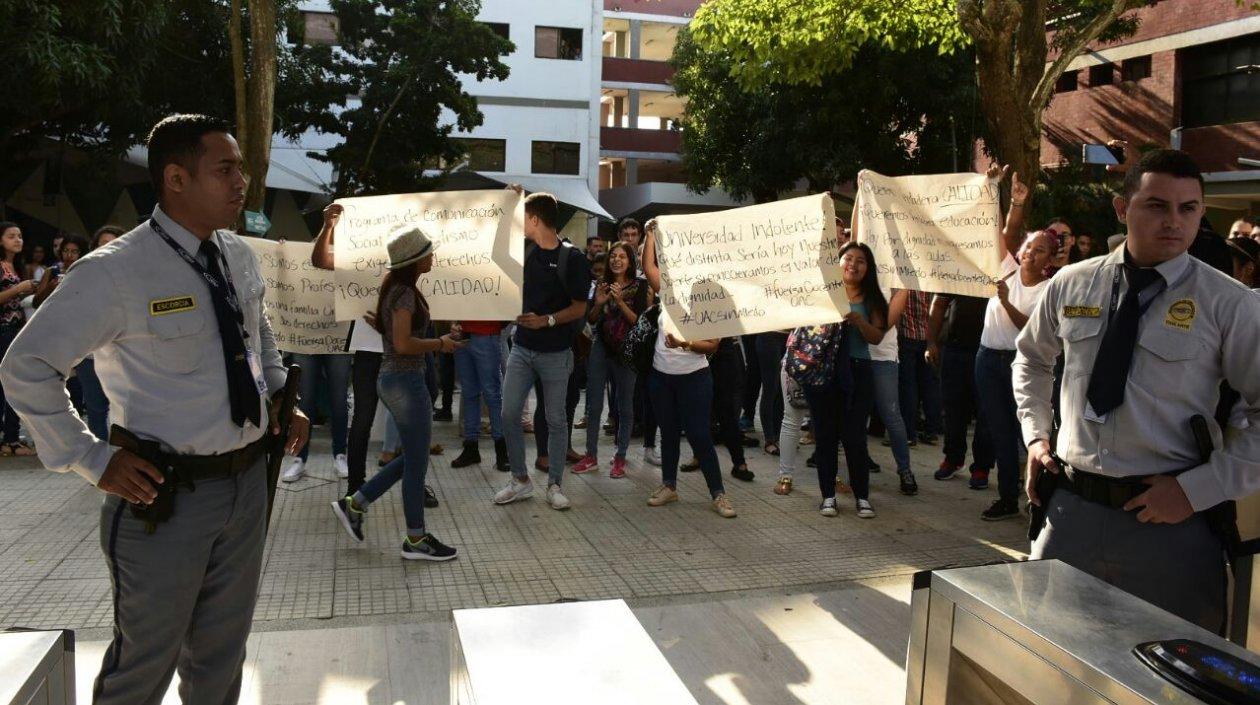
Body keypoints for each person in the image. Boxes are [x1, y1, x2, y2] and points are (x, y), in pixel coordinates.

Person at [0, 114, 310, 704]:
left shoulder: (237, 255)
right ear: (175, 178)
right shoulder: (115, 270)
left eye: (240, 167)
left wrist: (275, 391)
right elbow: (26, 367)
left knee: (221, 656)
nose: (242, 181)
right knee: (145, 664)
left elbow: (255, 331)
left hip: (245, 484)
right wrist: (89, 458)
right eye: (226, 169)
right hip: (164, 498)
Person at [1015, 149, 1260, 632]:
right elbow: (1031, 358)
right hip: (1071, 513)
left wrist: (1199, 491)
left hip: (1171, 522)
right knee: (1053, 660)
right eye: (1156, 205)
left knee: (1172, 680)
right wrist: (1035, 435)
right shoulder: (1072, 283)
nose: (1174, 221)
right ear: (1121, 208)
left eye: (1188, 208)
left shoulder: (1227, 302)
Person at [330, 225, 462, 560]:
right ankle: (415, 540)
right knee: (416, 464)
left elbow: (397, 335)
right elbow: (403, 344)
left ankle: (356, 504)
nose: (433, 256)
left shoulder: (399, 290)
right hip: (405, 381)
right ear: (415, 260)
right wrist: (440, 343)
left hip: (396, 379)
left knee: (413, 457)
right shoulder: (404, 293)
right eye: (428, 252)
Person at [494, 192, 592, 511]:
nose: (521, 224)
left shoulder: (573, 257)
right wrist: (508, 206)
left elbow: (580, 307)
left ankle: (554, 485)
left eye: (523, 217)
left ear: (535, 219)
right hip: (522, 348)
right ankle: (520, 481)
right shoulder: (524, 250)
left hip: (556, 352)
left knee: (556, 419)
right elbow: (496, 254)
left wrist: (547, 320)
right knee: (509, 414)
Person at [640, 221, 736, 517]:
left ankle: (718, 493)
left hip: (694, 378)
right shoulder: (666, 288)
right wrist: (650, 234)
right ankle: (669, 485)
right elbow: (648, 267)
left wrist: (684, 344)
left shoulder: (713, 295)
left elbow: (713, 345)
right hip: (661, 377)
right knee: (668, 432)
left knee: (698, 434)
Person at [975, 225, 1057, 521]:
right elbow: (996, 230)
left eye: (1040, 250)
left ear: (1050, 259)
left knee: (1028, 432)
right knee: (1000, 432)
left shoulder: (1048, 289)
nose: (1031, 254)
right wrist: (996, 188)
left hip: (1019, 363)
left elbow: (1030, 330)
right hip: (986, 359)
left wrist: (1007, 301)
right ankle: (1007, 497)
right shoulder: (1007, 270)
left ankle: (1037, 494)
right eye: (1028, 247)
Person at [573, 242, 647, 477]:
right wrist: (599, 303)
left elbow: (639, 322)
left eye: (622, 256)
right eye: (613, 256)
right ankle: (591, 455)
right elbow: (593, 320)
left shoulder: (639, 286)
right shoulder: (601, 285)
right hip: (601, 349)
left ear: (630, 261)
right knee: (594, 404)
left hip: (627, 352)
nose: (616, 260)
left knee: (624, 406)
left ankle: (620, 457)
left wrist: (621, 302)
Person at [926, 292, 994, 482]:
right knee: (952, 407)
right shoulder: (958, 265)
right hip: (955, 347)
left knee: (986, 411)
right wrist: (931, 342)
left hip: (990, 349)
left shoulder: (1004, 266)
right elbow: (938, 304)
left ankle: (982, 467)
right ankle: (953, 459)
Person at [73, 225, 126, 441]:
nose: (107, 248)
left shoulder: (132, 276)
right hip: (89, 354)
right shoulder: (81, 273)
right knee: (96, 408)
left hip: (122, 353)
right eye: (102, 244)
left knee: (122, 408)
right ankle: (103, 460)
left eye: (113, 243)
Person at [281, 350, 352, 481]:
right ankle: (299, 457)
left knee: (338, 399)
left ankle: (340, 454)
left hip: (337, 339)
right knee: (305, 400)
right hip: (307, 338)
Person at [0, 222, 36, 456]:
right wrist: (19, 288)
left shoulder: (15, 266)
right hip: (3, 330)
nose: (17, 240)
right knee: (8, 385)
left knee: (14, 385)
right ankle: (9, 439)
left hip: (16, 330)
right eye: (11, 236)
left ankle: (12, 437)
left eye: (20, 236)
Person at [896, 290, 943, 445]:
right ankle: (931, 431)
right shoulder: (931, 281)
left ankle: (909, 434)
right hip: (929, 339)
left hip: (907, 336)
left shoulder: (904, 280)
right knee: (930, 386)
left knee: (908, 387)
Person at [32, 232, 87, 307]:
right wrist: (50, 288)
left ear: (81, 253)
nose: (69, 255)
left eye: (74, 251)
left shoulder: (86, 272)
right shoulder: (51, 271)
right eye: (65, 250)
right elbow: (35, 304)